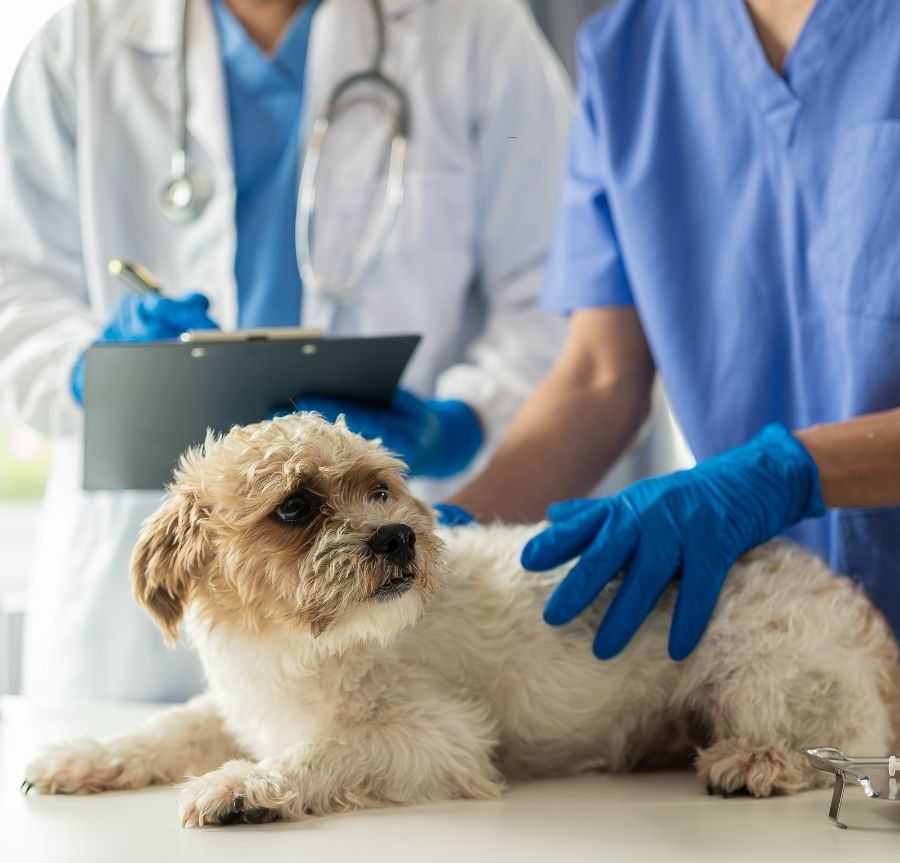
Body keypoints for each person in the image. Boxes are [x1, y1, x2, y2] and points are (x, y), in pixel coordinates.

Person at [0, 0, 578, 701]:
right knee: (125, 777)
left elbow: (559, 290)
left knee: (386, 766)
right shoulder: (81, 43)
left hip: (387, 590)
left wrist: (464, 419)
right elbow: (16, 287)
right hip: (134, 626)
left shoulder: (473, 30)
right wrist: (86, 369)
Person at [448, 0, 900, 659]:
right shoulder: (633, 52)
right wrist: (441, 533)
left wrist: (789, 473)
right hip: (787, 645)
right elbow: (601, 377)